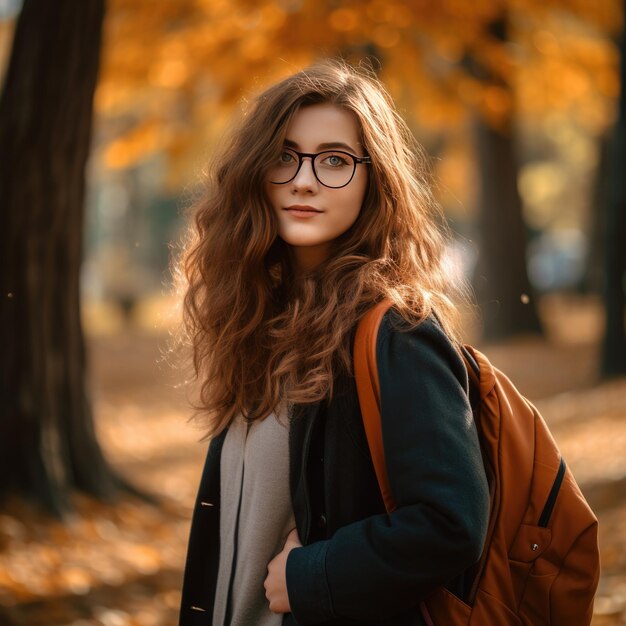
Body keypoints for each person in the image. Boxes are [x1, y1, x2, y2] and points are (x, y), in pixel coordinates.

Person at [177, 58, 489, 626]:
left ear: (376, 180)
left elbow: (451, 523)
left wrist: (312, 576)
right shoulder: (259, 326)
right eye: (284, 156)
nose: (304, 179)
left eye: (336, 161)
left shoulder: (399, 333)